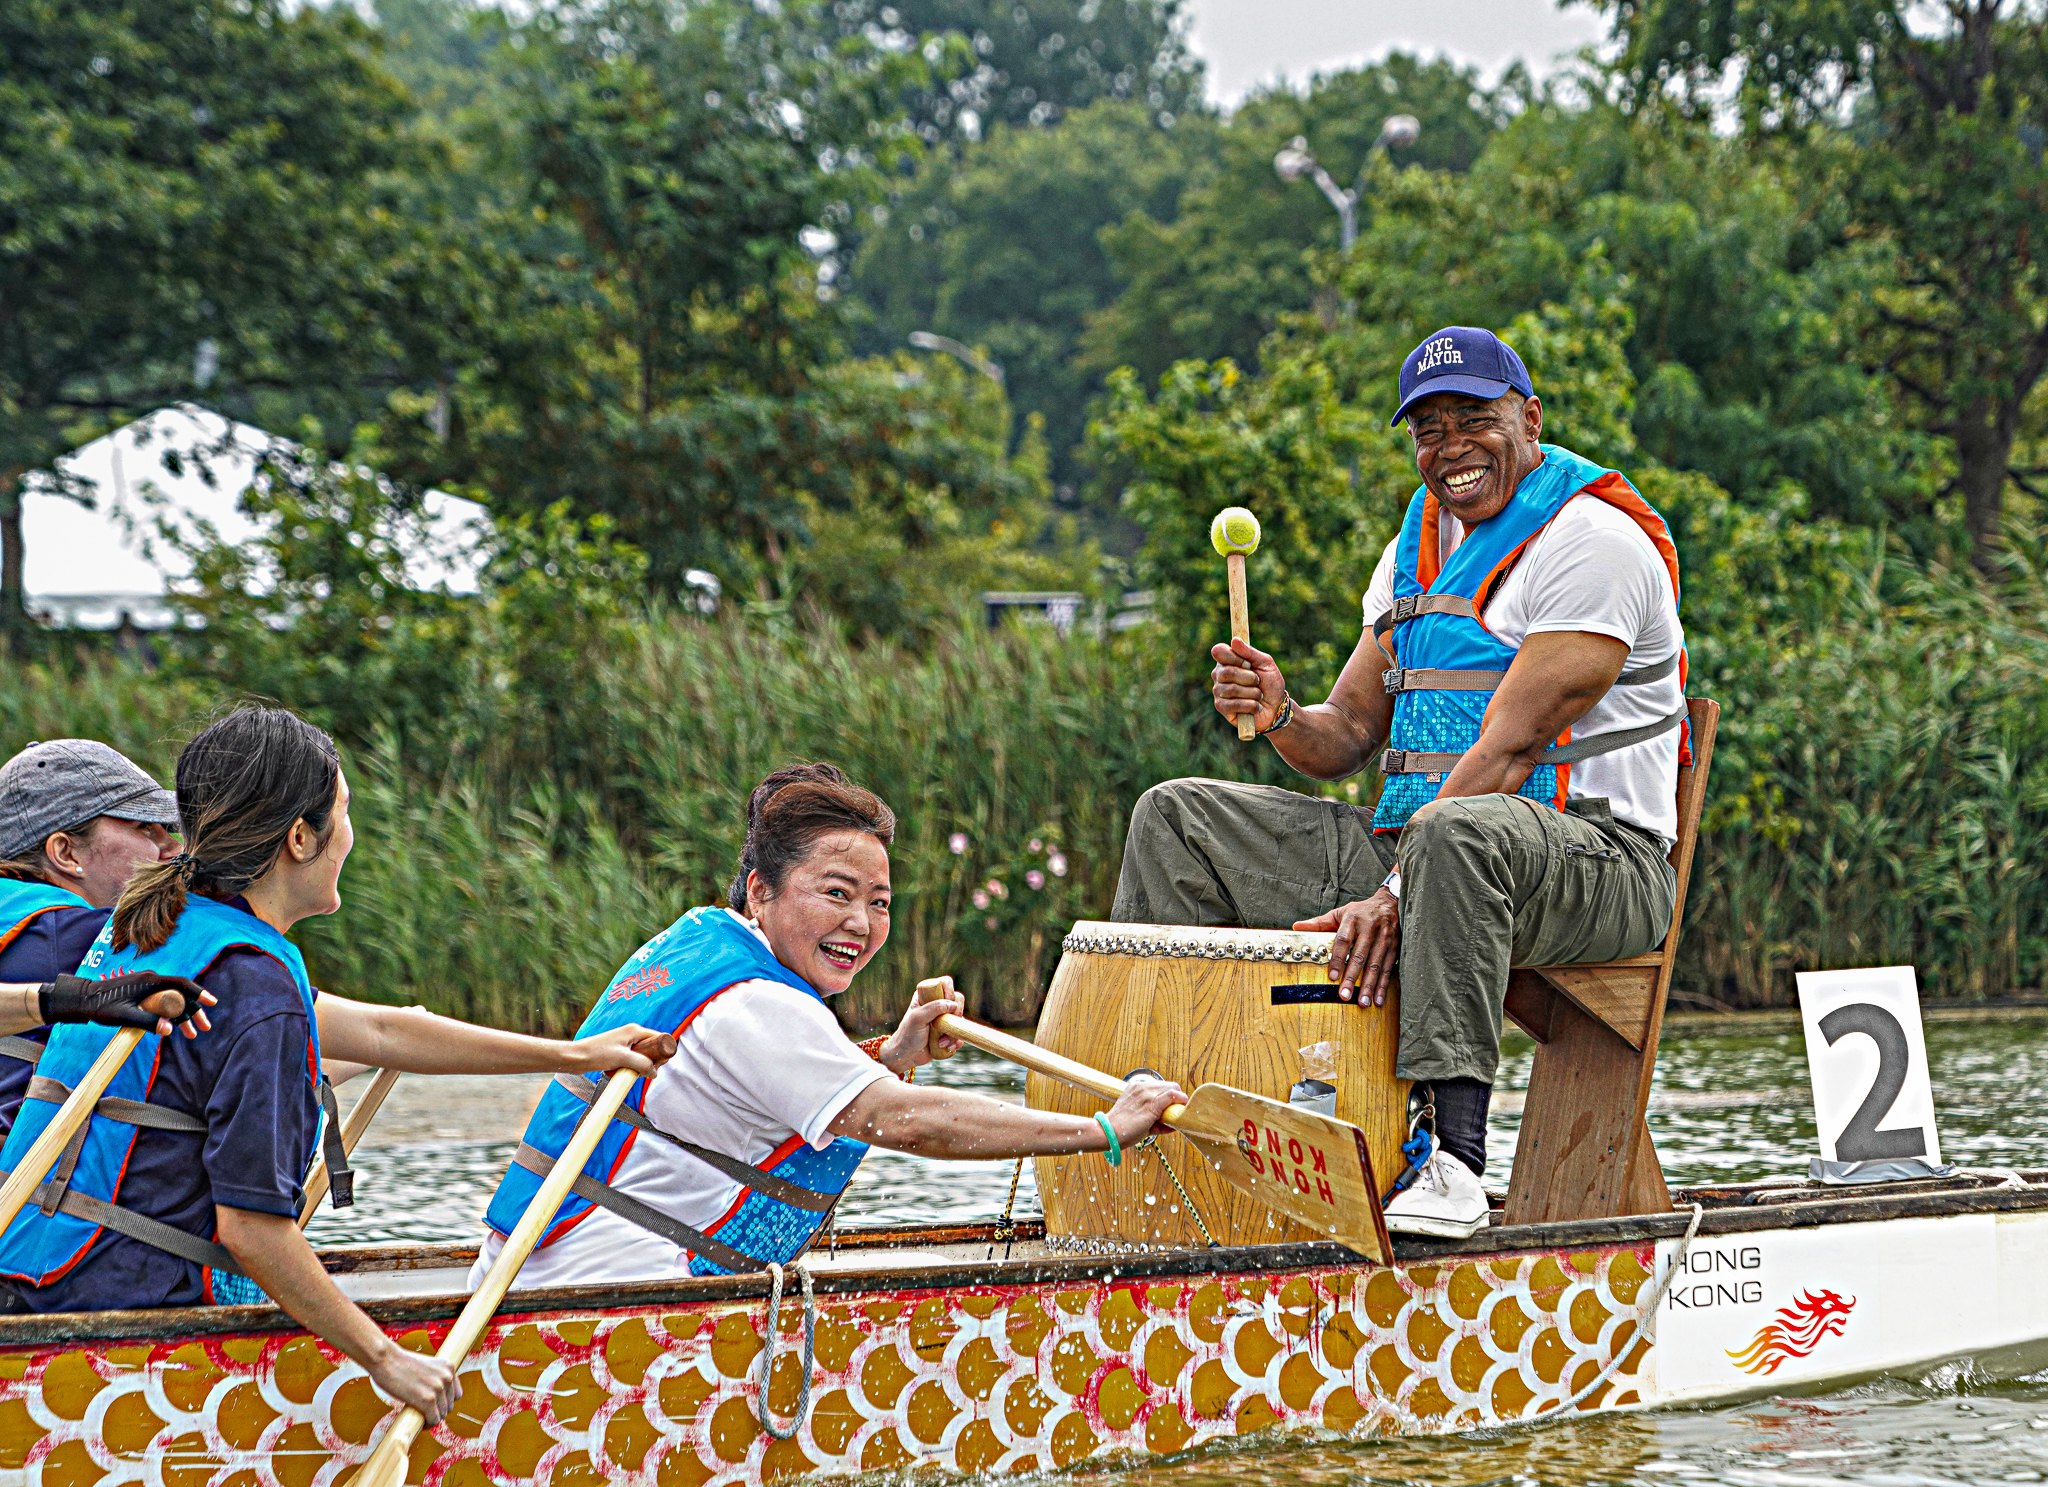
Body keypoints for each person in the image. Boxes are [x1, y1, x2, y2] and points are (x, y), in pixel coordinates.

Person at [1111, 325, 1687, 1240]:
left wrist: (1393, 889)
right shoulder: (1411, 552)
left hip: (1600, 867)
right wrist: (1281, 708)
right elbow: (1340, 738)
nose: (1451, 446)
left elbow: (1507, 751)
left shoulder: (1594, 543)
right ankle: (1166, 1123)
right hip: (1424, 859)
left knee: (1457, 834)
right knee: (1177, 817)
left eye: (1474, 418)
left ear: (1529, 418)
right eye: (1428, 429)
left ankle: (1450, 1159)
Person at [0, 707, 675, 1432]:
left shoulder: (156, 925)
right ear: (300, 837)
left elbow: (384, 1029)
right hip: (122, 1311)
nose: (350, 834)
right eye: (344, 812)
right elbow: (253, 1229)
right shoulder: (254, 985)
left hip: (30, 1282)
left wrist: (574, 1055)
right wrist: (386, 1359)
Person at [473, 762, 1184, 1288]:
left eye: (879, 902)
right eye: (836, 894)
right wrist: (1105, 1130)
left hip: (532, 1270)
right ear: (762, 889)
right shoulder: (756, 1002)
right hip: (603, 1295)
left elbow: (756, 1092)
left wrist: (893, 1053)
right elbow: (908, 1123)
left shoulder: (701, 942)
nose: (861, 924)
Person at [0, 741, 215, 1134]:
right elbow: (274, 1008)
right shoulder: (79, 936)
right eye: (144, 827)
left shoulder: (15, 917)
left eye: (167, 829)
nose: (174, 848)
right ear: (66, 853)